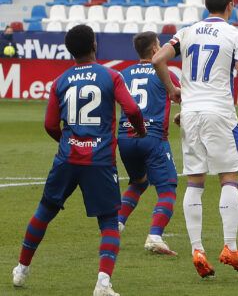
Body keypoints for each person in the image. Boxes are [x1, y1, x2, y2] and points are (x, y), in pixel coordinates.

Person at [11, 24, 147, 296]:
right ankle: (103, 284)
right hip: (99, 161)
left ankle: (21, 269)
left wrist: (67, 141)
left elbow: (50, 124)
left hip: (67, 158)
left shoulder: (60, 82)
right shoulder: (111, 76)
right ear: (95, 45)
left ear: (69, 51)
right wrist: (140, 130)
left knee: (44, 211)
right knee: (109, 221)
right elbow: (131, 109)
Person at [152, 0, 238, 278]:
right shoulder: (235, 35)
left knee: (195, 182)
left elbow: (157, 60)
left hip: (190, 113)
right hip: (219, 113)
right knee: (229, 178)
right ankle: (230, 247)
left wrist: (173, 89)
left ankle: (197, 249)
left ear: (205, 5)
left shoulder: (187, 32)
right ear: (230, 6)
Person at [116, 32, 181, 256]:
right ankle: (155, 235)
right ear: (155, 50)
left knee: (138, 181)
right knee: (167, 187)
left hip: (124, 138)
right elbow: (183, 98)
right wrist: (181, 116)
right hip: (152, 138)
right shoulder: (165, 74)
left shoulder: (123, 74)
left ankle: (116, 224)